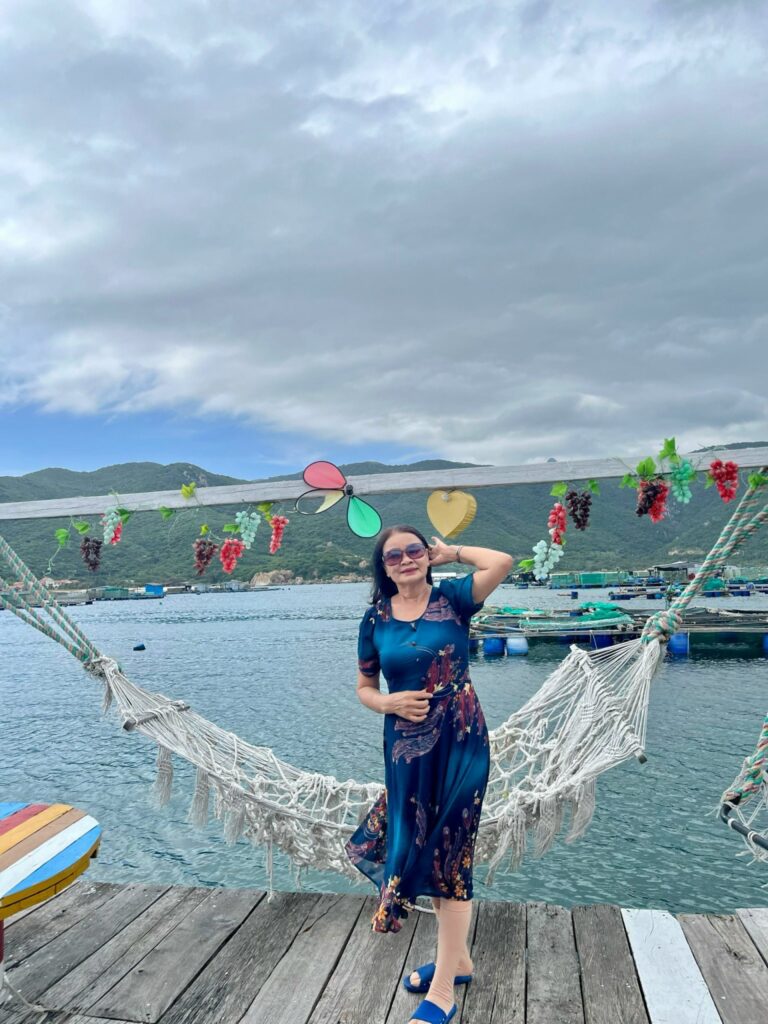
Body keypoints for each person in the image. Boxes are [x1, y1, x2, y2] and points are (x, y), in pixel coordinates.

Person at [345, 525, 514, 1024]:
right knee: (423, 847)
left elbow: (501, 561)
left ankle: (442, 993)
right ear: (383, 567)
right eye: (393, 555)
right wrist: (388, 702)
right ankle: (458, 962)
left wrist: (452, 552)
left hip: (462, 742)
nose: (405, 559)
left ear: (426, 555)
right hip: (406, 749)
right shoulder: (375, 619)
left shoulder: (454, 600)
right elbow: (364, 686)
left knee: (451, 853)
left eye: (414, 550)